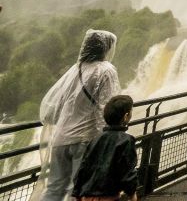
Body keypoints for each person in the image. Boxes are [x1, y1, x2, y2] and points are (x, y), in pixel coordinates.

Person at [39, 30, 120, 201]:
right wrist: (104, 140)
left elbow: (57, 106)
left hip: (61, 138)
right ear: (104, 48)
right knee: (77, 189)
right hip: (85, 139)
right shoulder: (106, 70)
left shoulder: (74, 70)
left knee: (54, 188)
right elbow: (107, 107)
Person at [71, 95, 138, 201]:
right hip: (108, 196)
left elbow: (83, 167)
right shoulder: (126, 140)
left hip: (87, 196)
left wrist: (77, 194)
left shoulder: (96, 138)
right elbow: (127, 170)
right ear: (126, 117)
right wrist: (132, 193)